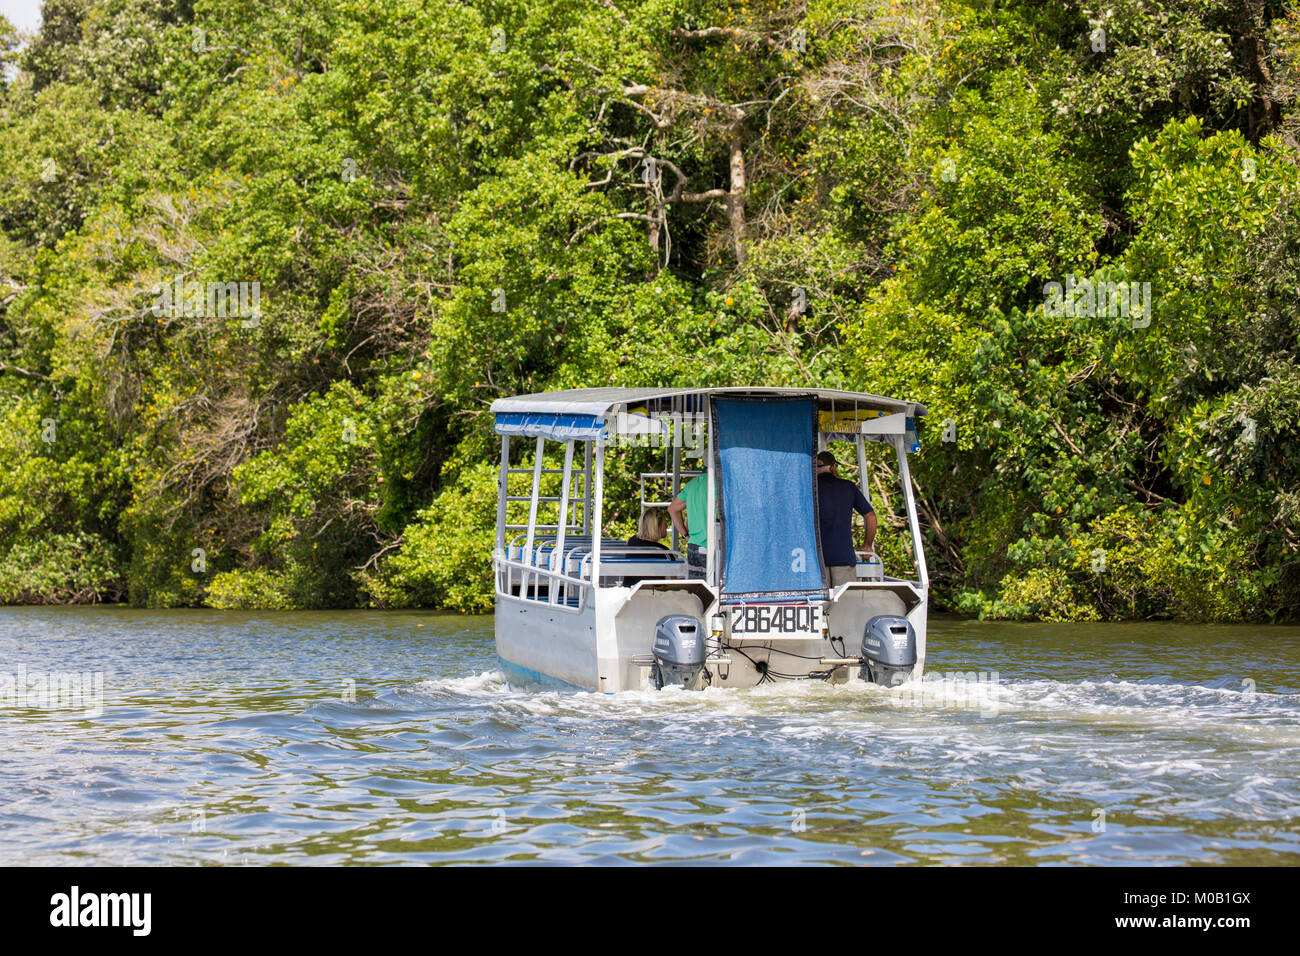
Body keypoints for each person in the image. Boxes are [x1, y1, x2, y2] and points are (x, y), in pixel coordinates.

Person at [816, 450, 876, 587]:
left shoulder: (807, 489)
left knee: (817, 605)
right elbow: (871, 517)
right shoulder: (847, 487)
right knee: (845, 604)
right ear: (832, 467)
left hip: (815, 560)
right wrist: (867, 545)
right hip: (843, 557)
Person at [668, 469, 708, 579]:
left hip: (693, 545)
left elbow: (672, 509)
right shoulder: (720, 483)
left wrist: (686, 535)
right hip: (710, 546)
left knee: (697, 591)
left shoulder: (691, 485)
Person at [622, 510, 670, 587]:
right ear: (657, 526)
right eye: (665, 523)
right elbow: (672, 584)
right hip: (654, 595)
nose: (667, 526)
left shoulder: (632, 542)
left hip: (630, 592)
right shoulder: (664, 552)